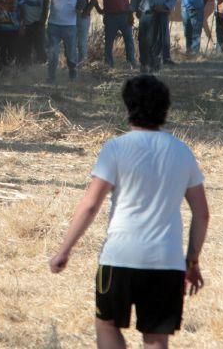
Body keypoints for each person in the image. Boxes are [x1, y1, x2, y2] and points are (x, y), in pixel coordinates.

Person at [49, 75, 209, 349]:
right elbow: (202, 213)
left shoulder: (116, 148)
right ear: (165, 109)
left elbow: (90, 205)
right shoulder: (183, 153)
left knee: (107, 325)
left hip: (120, 257)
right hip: (166, 261)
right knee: (157, 337)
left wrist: (65, 250)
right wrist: (192, 262)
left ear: (128, 107)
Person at [131, 0, 176, 74]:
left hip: (161, 14)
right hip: (146, 14)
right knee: (144, 40)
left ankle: (155, 65)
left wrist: (165, 6)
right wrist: (132, 12)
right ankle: (144, 63)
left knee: (159, 40)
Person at [44, 0, 87, 83]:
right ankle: (51, 78)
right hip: (53, 24)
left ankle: (72, 74)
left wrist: (80, 6)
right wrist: (42, 16)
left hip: (70, 25)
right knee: (53, 53)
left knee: (71, 55)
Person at [95, 0, 137, 68]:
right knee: (109, 42)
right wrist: (98, 9)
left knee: (129, 40)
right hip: (110, 17)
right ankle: (109, 65)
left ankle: (131, 62)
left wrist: (131, 9)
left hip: (124, 15)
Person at [20, 0, 47, 65]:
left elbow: (45, 7)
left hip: (37, 24)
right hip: (25, 25)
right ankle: (28, 75)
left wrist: (42, 22)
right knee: (25, 52)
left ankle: (42, 73)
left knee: (40, 50)